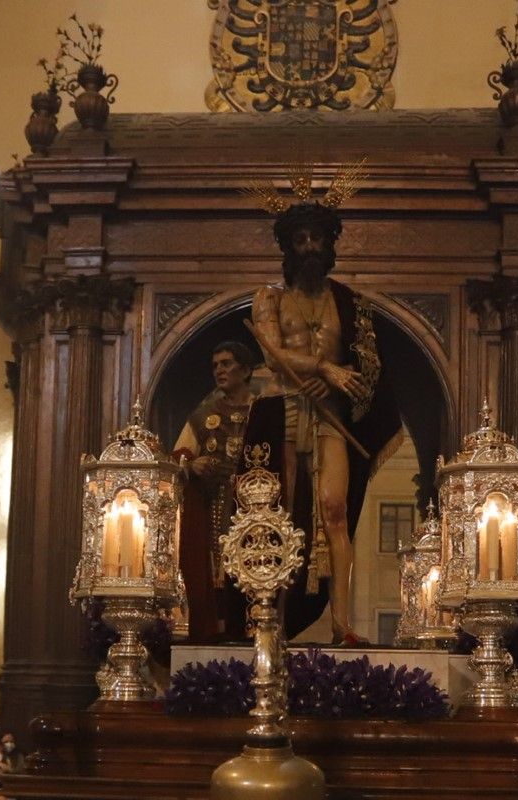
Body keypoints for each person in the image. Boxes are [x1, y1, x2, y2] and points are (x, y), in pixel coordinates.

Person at [244, 187, 409, 646]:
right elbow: (274, 355)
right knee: (276, 515)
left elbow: (365, 366)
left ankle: (341, 625)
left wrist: (338, 378)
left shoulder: (350, 304)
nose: (311, 247)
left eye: (318, 238)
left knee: (334, 510)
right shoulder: (269, 299)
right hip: (282, 411)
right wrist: (324, 369)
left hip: (331, 416)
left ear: (330, 245)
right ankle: (268, 619)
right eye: (301, 239)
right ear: (288, 247)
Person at [172, 339, 261, 642]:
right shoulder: (202, 415)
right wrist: (192, 464)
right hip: (215, 505)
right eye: (215, 365)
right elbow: (178, 458)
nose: (219, 370)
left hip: (256, 510)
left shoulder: (264, 412)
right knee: (216, 573)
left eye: (226, 364)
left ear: (246, 370)